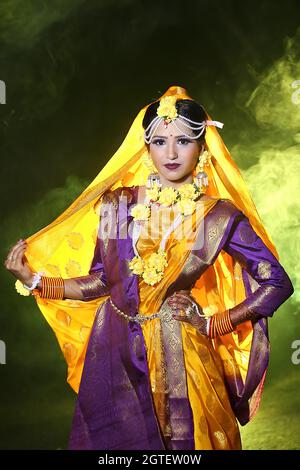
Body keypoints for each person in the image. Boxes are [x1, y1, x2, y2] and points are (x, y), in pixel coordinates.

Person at [4, 86, 294, 450]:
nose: (170, 153)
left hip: (182, 353)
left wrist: (214, 323)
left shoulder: (219, 216)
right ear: (146, 147)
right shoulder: (118, 206)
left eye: (183, 140)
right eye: (159, 141)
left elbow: (277, 282)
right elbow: (101, 281)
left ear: (202, 147)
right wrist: (35, 281)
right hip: (115, 349)